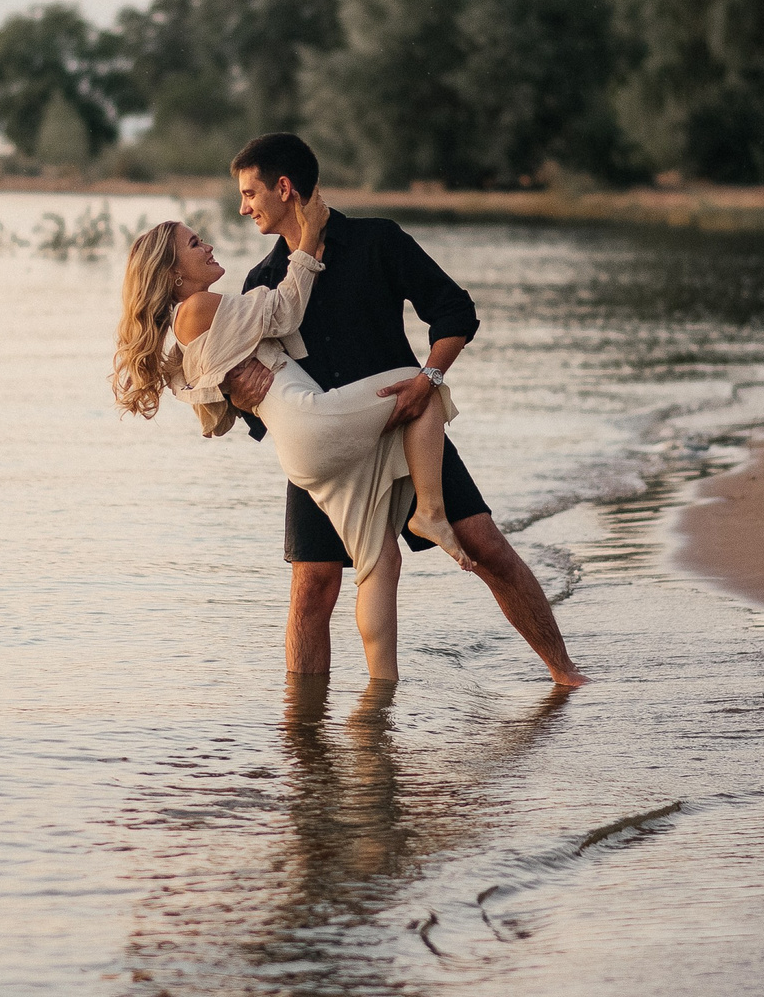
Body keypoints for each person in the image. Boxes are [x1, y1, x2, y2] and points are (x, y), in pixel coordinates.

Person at [223, 133, 584, 687]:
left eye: (250, 193)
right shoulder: (263, 284)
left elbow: (454, 309)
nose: (244, 207)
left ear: (284, 187)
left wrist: (428, 381)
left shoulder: (376, 242)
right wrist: (240, 397)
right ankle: (304, 732)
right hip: (329, 452)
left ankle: (566, 675)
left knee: (487, 547)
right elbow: (258, 399)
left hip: (409, 426)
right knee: (313, 585)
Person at [111, 190, 472, 682]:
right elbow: (284, 312)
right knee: (422, 385)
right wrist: (309, 245)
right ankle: (429, 512)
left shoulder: (185, 333)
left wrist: (228, 387)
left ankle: (379, 695)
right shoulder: (198, 307)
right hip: (313, 420)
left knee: (379, 564)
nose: (209, 246)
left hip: (302, 452)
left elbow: (211, 417)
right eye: (195, 244)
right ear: (175, 273)